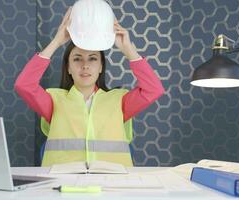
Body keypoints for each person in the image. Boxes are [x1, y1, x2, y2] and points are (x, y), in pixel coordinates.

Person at [15, 8, 165, 167]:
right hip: (63, 184)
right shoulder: (54, 100)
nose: (85, 65)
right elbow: (24, 85)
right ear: (68, 68)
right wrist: (57, 41)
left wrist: (128, 49)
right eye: (77, 59)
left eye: (92, 59)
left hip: (112, 184)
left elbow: (154, 89)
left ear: (101, 67)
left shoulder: (119, 101)